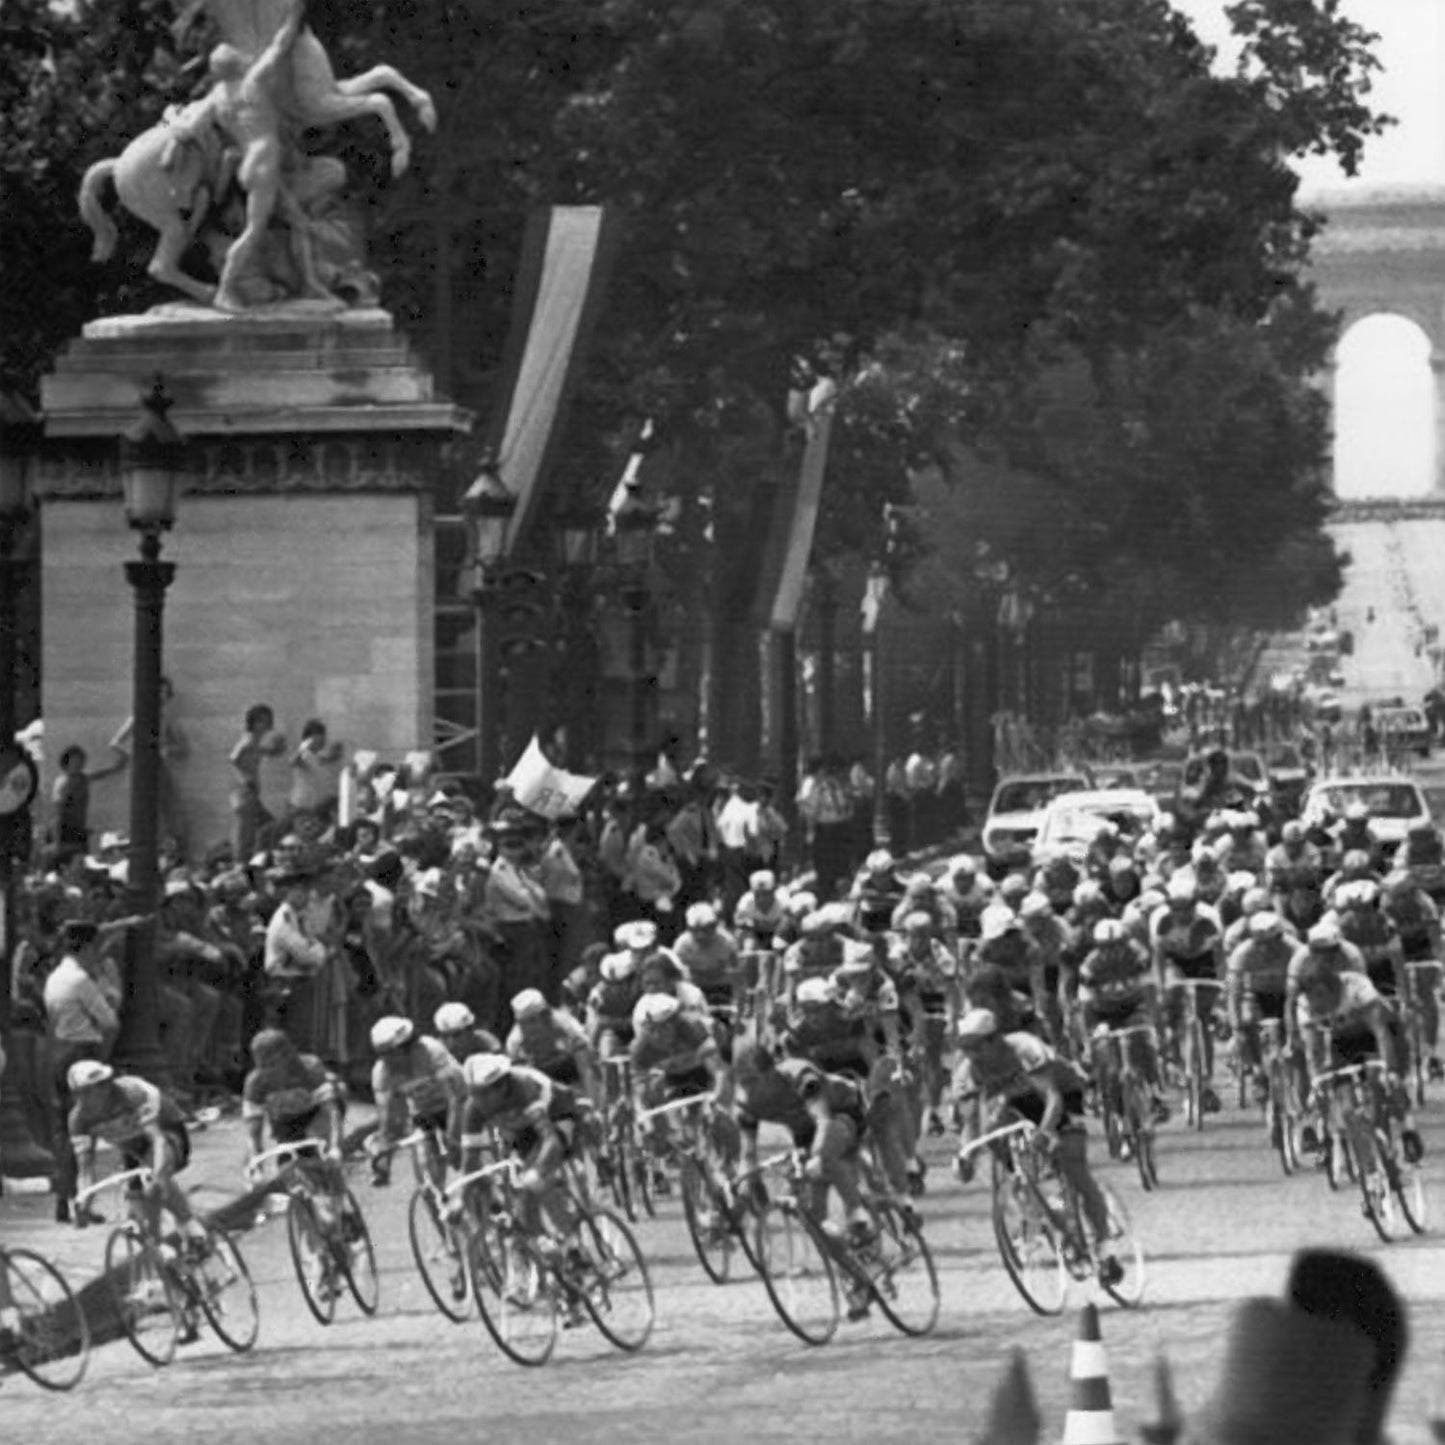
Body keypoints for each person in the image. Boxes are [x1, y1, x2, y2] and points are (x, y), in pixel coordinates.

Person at [951, 1008, 1122, 1287]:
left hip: (1061, 1094)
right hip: (1018, 1105)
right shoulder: (967, 1071)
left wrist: (1045, 1132)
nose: (972, 1055)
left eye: (976, 1047)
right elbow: (970, 1122)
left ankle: (1105, 1249)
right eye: (965, 1049)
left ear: (994, 1040)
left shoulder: (1023, 1048)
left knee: (1073, 1164)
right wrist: (966, 1154)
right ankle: (1031, 1196)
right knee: (994, 1132)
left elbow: (1053, 1097)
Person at [732, 1038, 881, 1321]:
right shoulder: (746, 1103)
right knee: (812, 1218)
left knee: (827, 1154)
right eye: (742, 1082)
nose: (747, 1089)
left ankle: (857, 1214)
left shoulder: (799, 1075)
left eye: (752, 1081)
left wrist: (817, 1158)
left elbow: (823, 1119)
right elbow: (747, 1154)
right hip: (805, 1136)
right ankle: (859, 1278)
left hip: (842, 1113)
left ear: (771, 1071)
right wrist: (742, 1183)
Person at [67, 1060, 209, 1257]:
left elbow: (158, 1140)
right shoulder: (78, 1120)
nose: (105, 1089)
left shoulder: (131, 1093)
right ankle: (165, 1260)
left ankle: (191, 1229)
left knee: (154, 1182)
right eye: (96, 1087)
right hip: (133, 1148)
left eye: (106, 1082)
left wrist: (158, 1177)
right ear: (79, 1094)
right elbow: (85, 1169)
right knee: (136, 1215)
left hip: (167, 1133)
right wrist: (84, 1204)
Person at [366, 1015, 466, 1188]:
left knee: (467, 1158)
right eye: (382, 1054)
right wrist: (384, 1157)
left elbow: (455, 1098)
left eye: (391, 1053)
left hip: (459, 1103)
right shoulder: (381, 1073)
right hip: (424, 1113)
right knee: (426, 1177)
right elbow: (388, 1119)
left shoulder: (431, 1051)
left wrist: (454, 1139)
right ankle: (440, 1208)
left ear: (408, 1047)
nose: (387, 1060)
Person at [230, 703, 285, 859]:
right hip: (244, 793)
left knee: (263, 827)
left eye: (268, 721)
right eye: (261, 721)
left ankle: (251, 860)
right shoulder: (248, 740)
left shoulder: (255, 741)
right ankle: (241, 864)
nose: (265, 725)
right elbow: (233, 759)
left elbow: (265, 752)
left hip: (250, 793)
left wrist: (278, 748)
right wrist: (245, 778)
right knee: (247, 832)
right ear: (253, 723)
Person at [50, 743, 128, 853]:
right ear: (67, 762)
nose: (79, 764)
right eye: (75, 761)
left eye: (81, 760)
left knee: (81, 862)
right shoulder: (63, 783)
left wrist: (119, 762)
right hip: (63, 832)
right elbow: (57, 814)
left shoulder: (83, 778)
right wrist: (56, 842)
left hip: (79, 830)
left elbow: (107, 772)